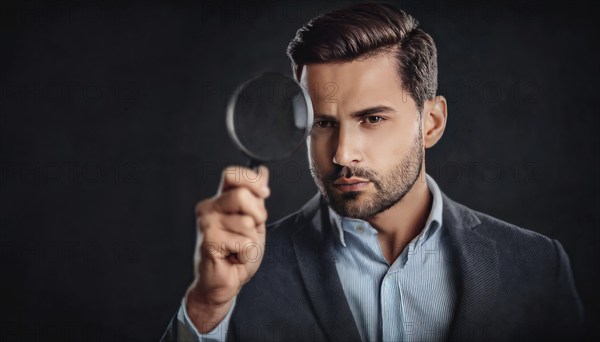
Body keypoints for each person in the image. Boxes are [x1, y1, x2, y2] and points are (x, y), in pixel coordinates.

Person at [161, 3, 584, 341]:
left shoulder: (535, 266)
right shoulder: (243, 272)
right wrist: (206, 308)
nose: (343, 153)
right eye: (324, 124)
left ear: (431, 123)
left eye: (373, 119)